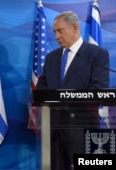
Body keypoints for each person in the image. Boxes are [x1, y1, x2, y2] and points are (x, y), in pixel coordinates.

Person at [36, 11, 109, 170]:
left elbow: (99, 90)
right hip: (54, 131)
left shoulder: (96, 55)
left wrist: (65, 99)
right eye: (54, 32)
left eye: (60, 30)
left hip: (82, 129)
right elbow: (41, 87)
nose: (56, 36)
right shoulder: (52, 57)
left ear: (75, 27)